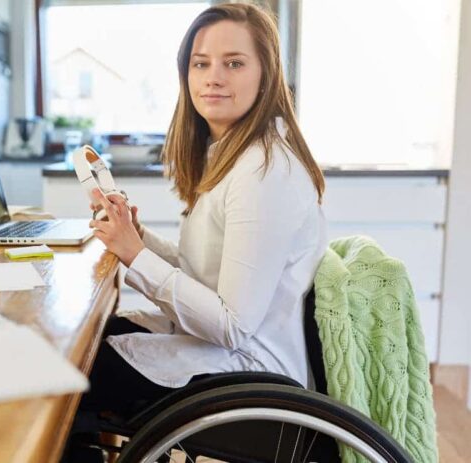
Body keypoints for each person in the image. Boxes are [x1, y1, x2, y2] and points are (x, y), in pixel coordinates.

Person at [63, 3, 327, 460]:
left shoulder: (263, 172)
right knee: (83, 345)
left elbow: (231, 324)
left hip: (253, 382)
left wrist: (135, 255)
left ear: (267, 74)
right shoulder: (231, 154)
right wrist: (137, 237)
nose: (213, 77)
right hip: (226, 359)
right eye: (200, 64)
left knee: (65, 380)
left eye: (234, 63)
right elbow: (204, 271)